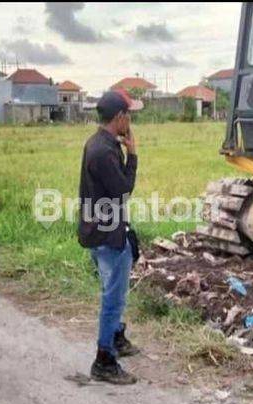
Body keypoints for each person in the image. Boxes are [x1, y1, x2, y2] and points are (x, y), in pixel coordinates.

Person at [78, 88, 143, 385]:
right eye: (129, 114)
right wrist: (134, 155)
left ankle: (115, 338)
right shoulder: (104, 151)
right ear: (119, 117)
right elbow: (123, 192)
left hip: (104, 229)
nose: (131, 120)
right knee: (113, 299)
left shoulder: (101, 143)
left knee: (113, 292)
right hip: (108, 235)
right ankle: (104, 360)